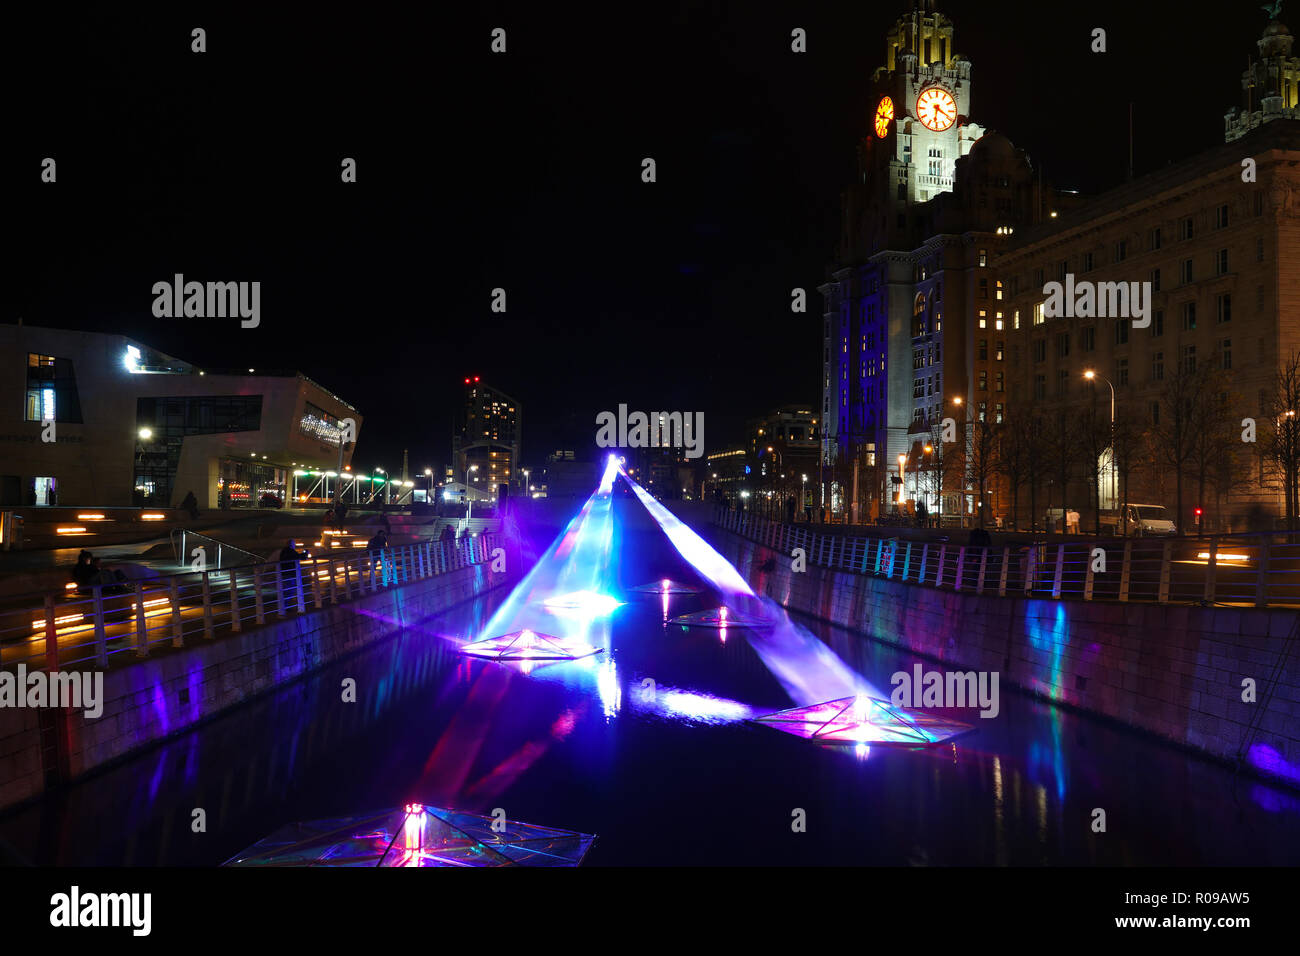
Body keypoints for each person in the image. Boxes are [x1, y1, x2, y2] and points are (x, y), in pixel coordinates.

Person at [278, 539, 307, 610]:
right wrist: (305, 552)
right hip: (289, 573)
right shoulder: (290, 551)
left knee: (288, 590)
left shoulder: (284, 551)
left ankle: (285, 606)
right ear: (291, 545)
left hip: (285, 573)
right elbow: (300, 557)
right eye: (294, 544)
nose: (295, 545)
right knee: (289, 590)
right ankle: (284, 607)